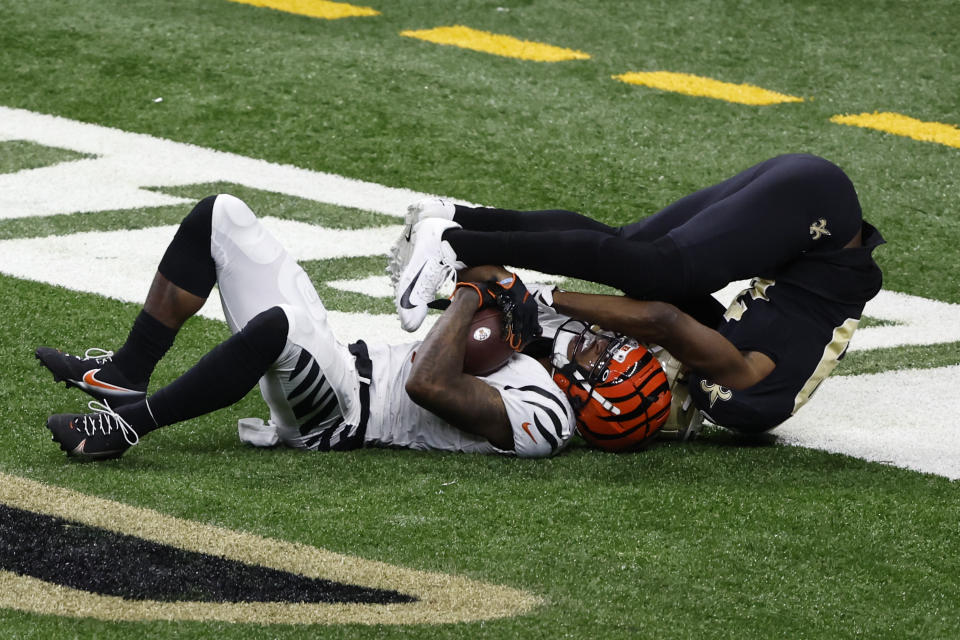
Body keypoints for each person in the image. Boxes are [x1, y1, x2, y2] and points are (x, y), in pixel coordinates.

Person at [36, 195, 579, 461]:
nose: (594, 346)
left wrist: (471, 289)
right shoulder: (549, 337)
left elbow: (427, 383)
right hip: (343, 360)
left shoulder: (548, 417)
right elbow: (643, 307)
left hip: (342, 416)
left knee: (282, 326)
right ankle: (126, 373)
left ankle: (125, 428)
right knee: (221, 216)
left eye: (605, 364)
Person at [391, 153, 885, 433]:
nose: (625, 361)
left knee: (631, 249)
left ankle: (453, 217)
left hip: (813, 205)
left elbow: (661, 316)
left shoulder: (741, 378)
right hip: (818, 216)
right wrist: (539, 297)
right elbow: (660, 319)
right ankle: (454, 245)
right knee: (661, 272)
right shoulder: (742, 396)